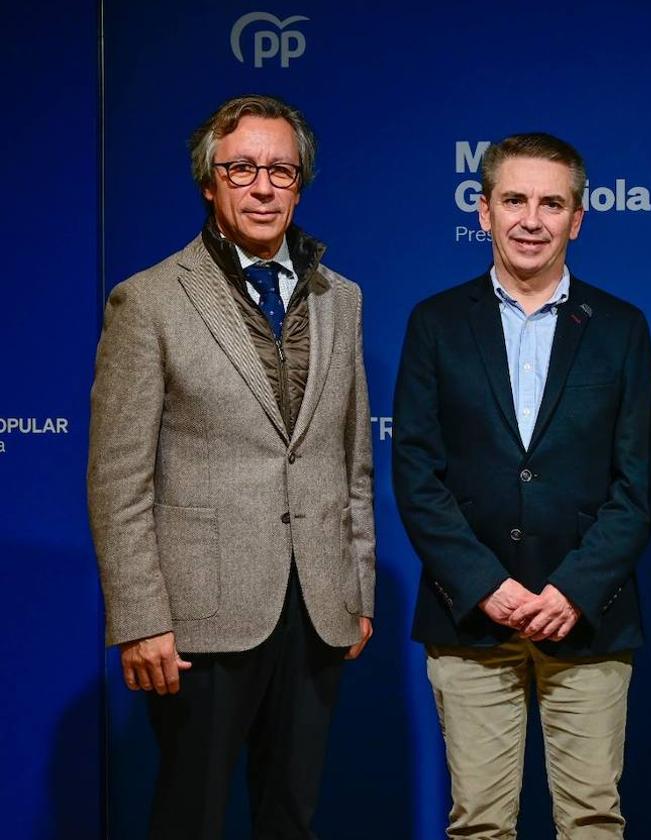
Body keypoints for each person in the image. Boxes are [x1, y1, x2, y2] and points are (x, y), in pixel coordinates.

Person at [88, 94, 376, 839]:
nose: (263, 185)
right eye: (242, 167)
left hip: (316, 607)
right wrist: (141, 620)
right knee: (192, 816)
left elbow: (352, 462)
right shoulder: (148, 300)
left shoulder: (340, 298)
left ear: (301, 183)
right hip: (198, 617)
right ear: (209, 184)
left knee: (292, 815)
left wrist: (357, 584)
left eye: (280, 169)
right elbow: (118, 481)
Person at [393, 132, 651, 838]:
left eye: (552, 203)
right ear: (483, 211)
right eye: (513, 200)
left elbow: (637, 485)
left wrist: (573, 589)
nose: (531, 219)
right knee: (479, 825)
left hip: (587, 619)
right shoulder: (436, 323)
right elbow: (416, 475)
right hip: (471, 619)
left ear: (578, 218)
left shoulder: (622, 328)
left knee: (592, 822)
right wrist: (485, 584)